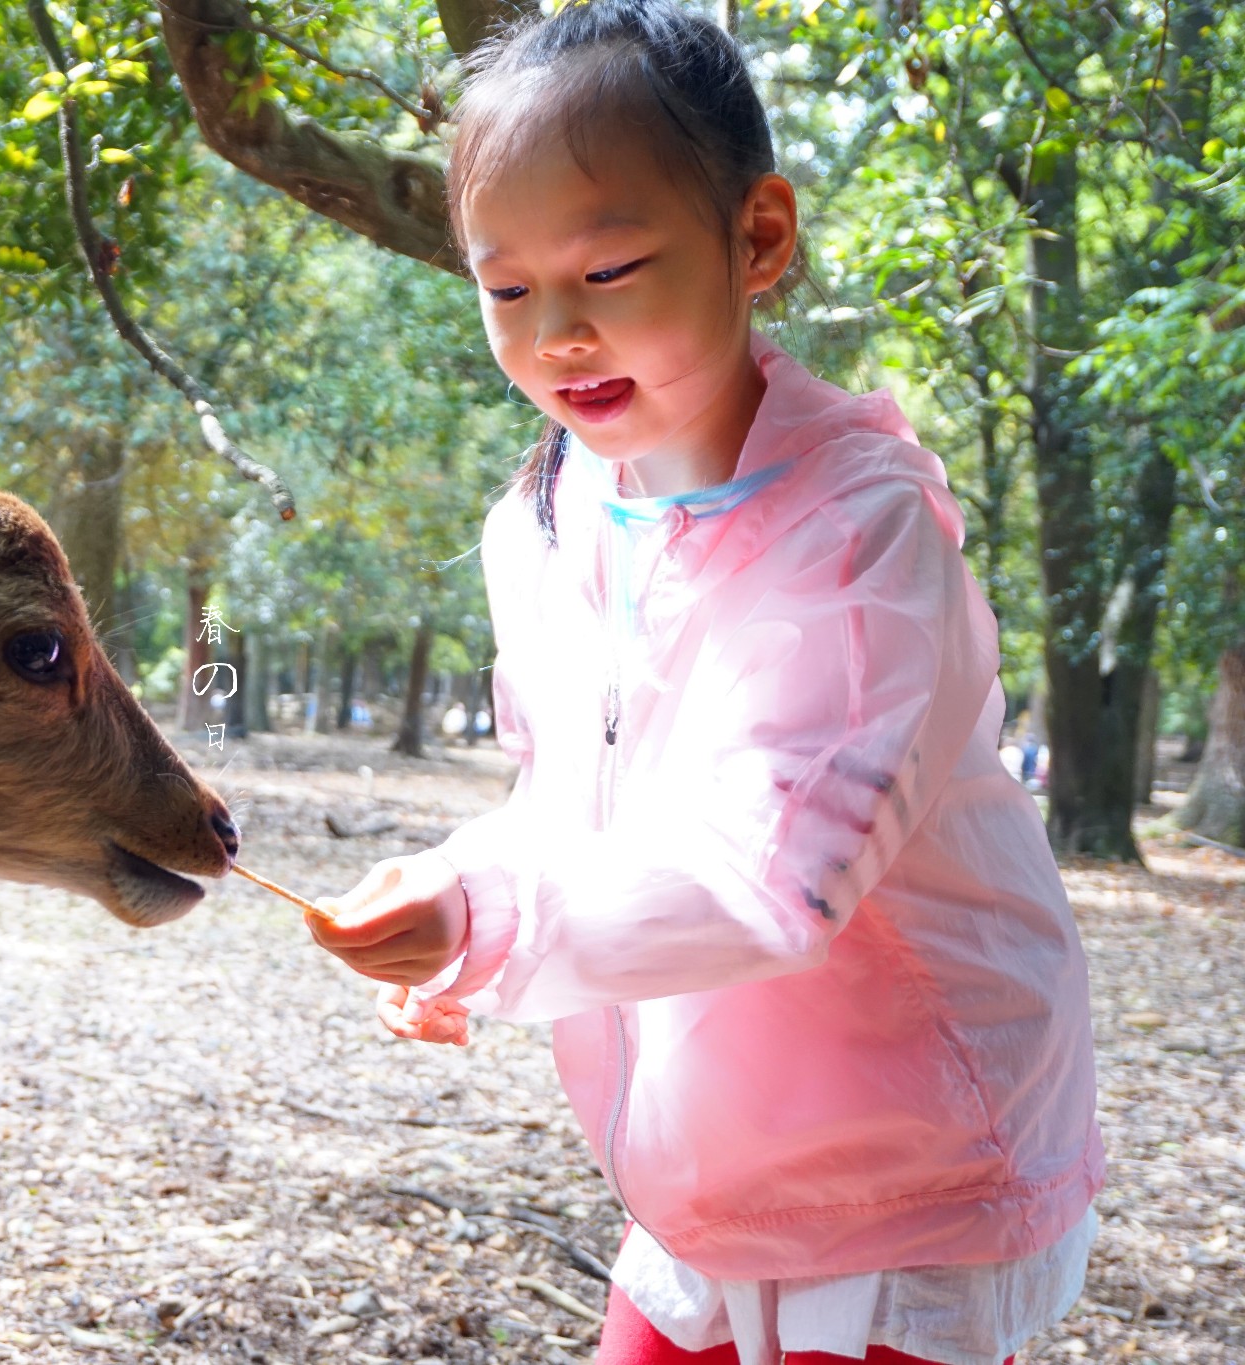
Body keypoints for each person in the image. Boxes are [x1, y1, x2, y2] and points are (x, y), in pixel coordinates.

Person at [304, 5, 1102, 1364]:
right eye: (506, 288)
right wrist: (454, 894)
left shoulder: (857, 531)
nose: (556, 332)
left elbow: (770, 873)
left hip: (908, 1171)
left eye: (611, 267)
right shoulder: (547, 519)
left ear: (758, 240)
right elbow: (576, 795)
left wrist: (495, 919)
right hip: (707, 1166)